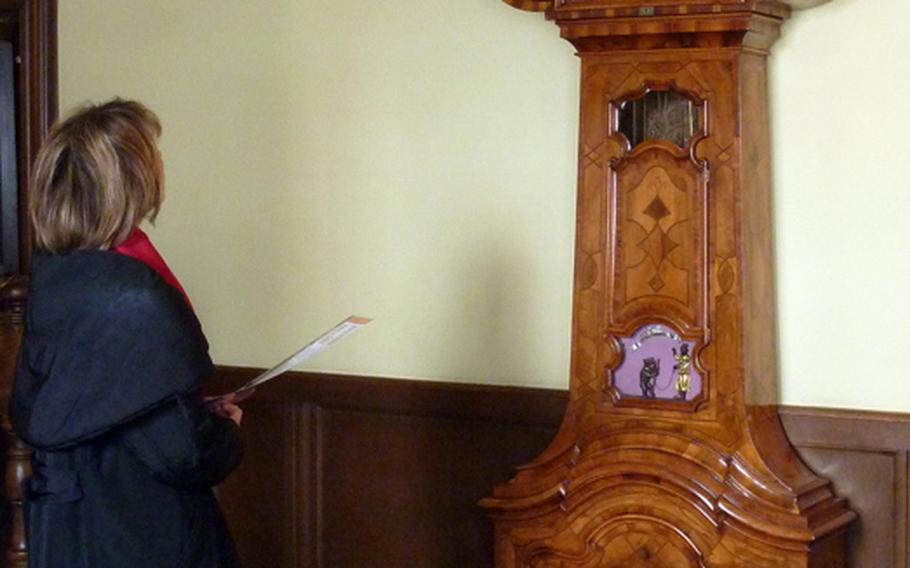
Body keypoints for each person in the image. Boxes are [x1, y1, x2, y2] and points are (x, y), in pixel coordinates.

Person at [9, 99, 246, 567]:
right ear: (131, 181)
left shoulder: (56, 280)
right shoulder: (131, 296)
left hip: (69, 533)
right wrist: (225, 431)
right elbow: (180, 451)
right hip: (141, 532)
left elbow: (93, 407)